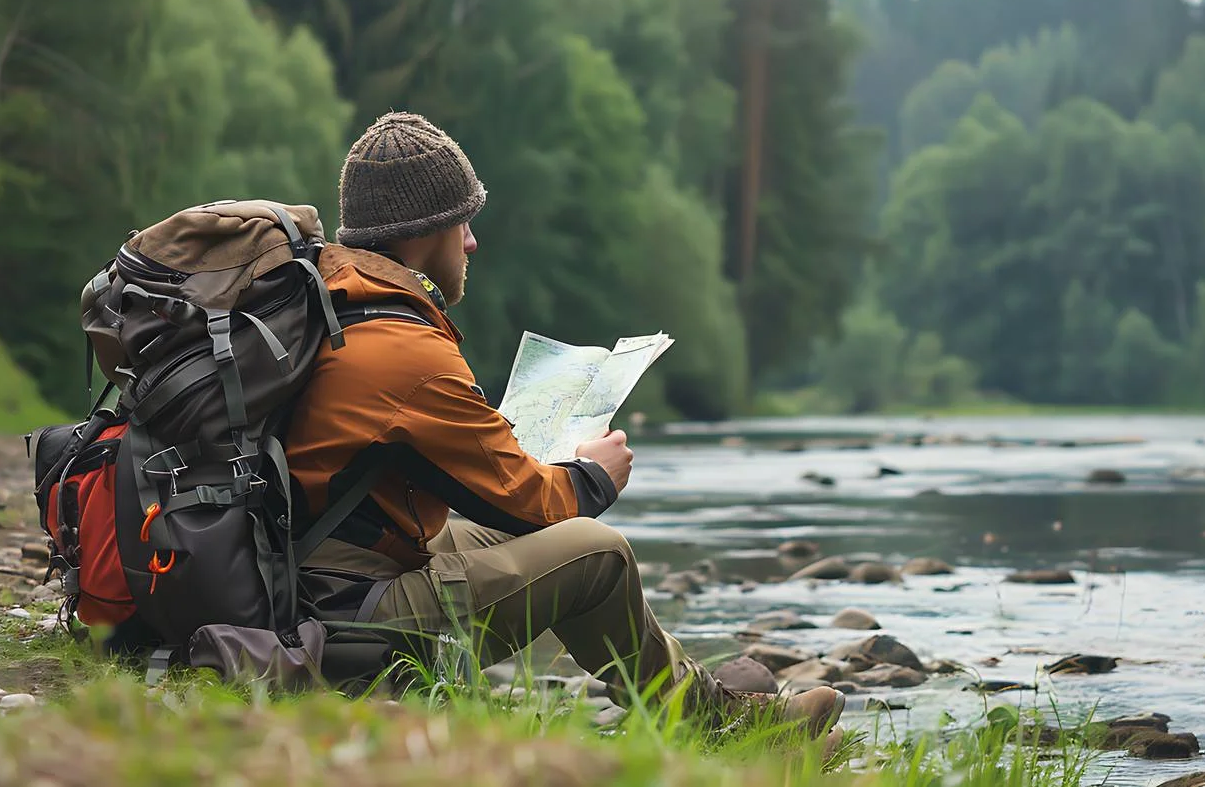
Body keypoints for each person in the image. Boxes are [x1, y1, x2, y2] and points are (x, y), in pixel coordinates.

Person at [283, 111, 844, 741]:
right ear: (424, 232)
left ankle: (701, 701)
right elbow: (533, 507)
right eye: (464, 221)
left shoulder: (336, 306)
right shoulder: (405, 351)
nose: (472, 242)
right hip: (346, 620)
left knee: (492, 537)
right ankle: (715, 727)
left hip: (314, 582)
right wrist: (593, 478)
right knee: (597, 552)